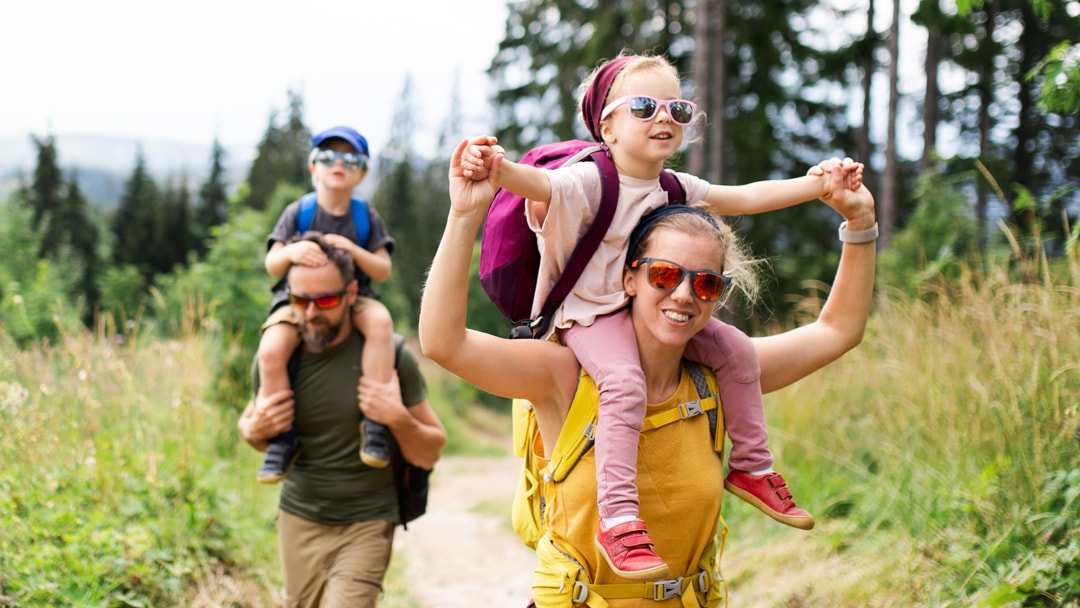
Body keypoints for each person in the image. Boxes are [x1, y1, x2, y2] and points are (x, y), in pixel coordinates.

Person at [421, 137, 876, 606]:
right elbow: (443, 342)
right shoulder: (564, 374)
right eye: (663, 275)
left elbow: (838, 330)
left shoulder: (722, 376)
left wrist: (860, 223)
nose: (683, 295)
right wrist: (463, 215)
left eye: (705, 283)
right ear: (628, 278)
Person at [239, 232, 447, 607]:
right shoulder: (277, 357)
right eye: (299, 300)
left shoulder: (392, 358)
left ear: (352, 294)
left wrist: (397, 418)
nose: (312, 313)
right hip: (298, 519)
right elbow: (254, 431)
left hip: (366, 522)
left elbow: (430, 450)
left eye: (327, 299)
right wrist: (253, 430)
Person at [256, 125, 399, 484]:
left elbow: (382, 269)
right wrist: (290, 251)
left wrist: (352, 250)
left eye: (351, 159)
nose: (339, 164)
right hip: (300, 300)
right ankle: (281, 438)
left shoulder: (365, 215)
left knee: (381, 325)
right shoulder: (299, 212)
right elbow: (272, 264)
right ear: (313, 167)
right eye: (328, 157)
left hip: (356, 297)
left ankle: (375, 423)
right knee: (271, 352)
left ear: (362, 172)